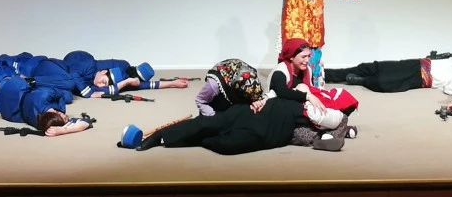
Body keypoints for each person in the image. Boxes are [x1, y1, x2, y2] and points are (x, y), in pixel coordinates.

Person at [131, 98, 343, 154]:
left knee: (227, 144)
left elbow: (337, 118)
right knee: (209, 123)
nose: (306, 60)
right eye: (303, 56)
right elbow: (276, 90)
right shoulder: (284, 74)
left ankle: (197, 140)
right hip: (253, 111)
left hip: (265, 129)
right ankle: (158, 136)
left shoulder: (318, 109)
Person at [269, 38, 359, 146]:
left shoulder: (308, 70)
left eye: (308, 56)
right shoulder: (280, 72)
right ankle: (334, 134)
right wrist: (307, 96)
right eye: (303, 57)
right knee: (303, 136)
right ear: (291, 56)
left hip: (306, 113)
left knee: (341, 115)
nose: (307, 60)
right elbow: (282, 92)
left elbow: (313, 91)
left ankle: (330, 134)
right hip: (288, 116)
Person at [0, 75, 91, 137]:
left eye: (63, 117)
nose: (66, 116)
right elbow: (85, 122)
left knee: (10, 84)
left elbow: (52, 93)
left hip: (12, 93)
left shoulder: (45, 99)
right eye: (65, 118)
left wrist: (62, 128)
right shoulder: (41, 123)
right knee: (66, 94)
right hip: (9, 112)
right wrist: (63, 130)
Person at [324, 56, 452, 95]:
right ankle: (327, 74)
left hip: (419, 78)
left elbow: (451, 90)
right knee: (372, 67)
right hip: (415, 64)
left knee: (384, 82)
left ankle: (362, 81)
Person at [195, 58, 270, 117]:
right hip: (215, 105)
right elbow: (200, 100)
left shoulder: (255, 78)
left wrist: (258, 101)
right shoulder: (213, 84)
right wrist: (214, 118)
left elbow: (260, 95)